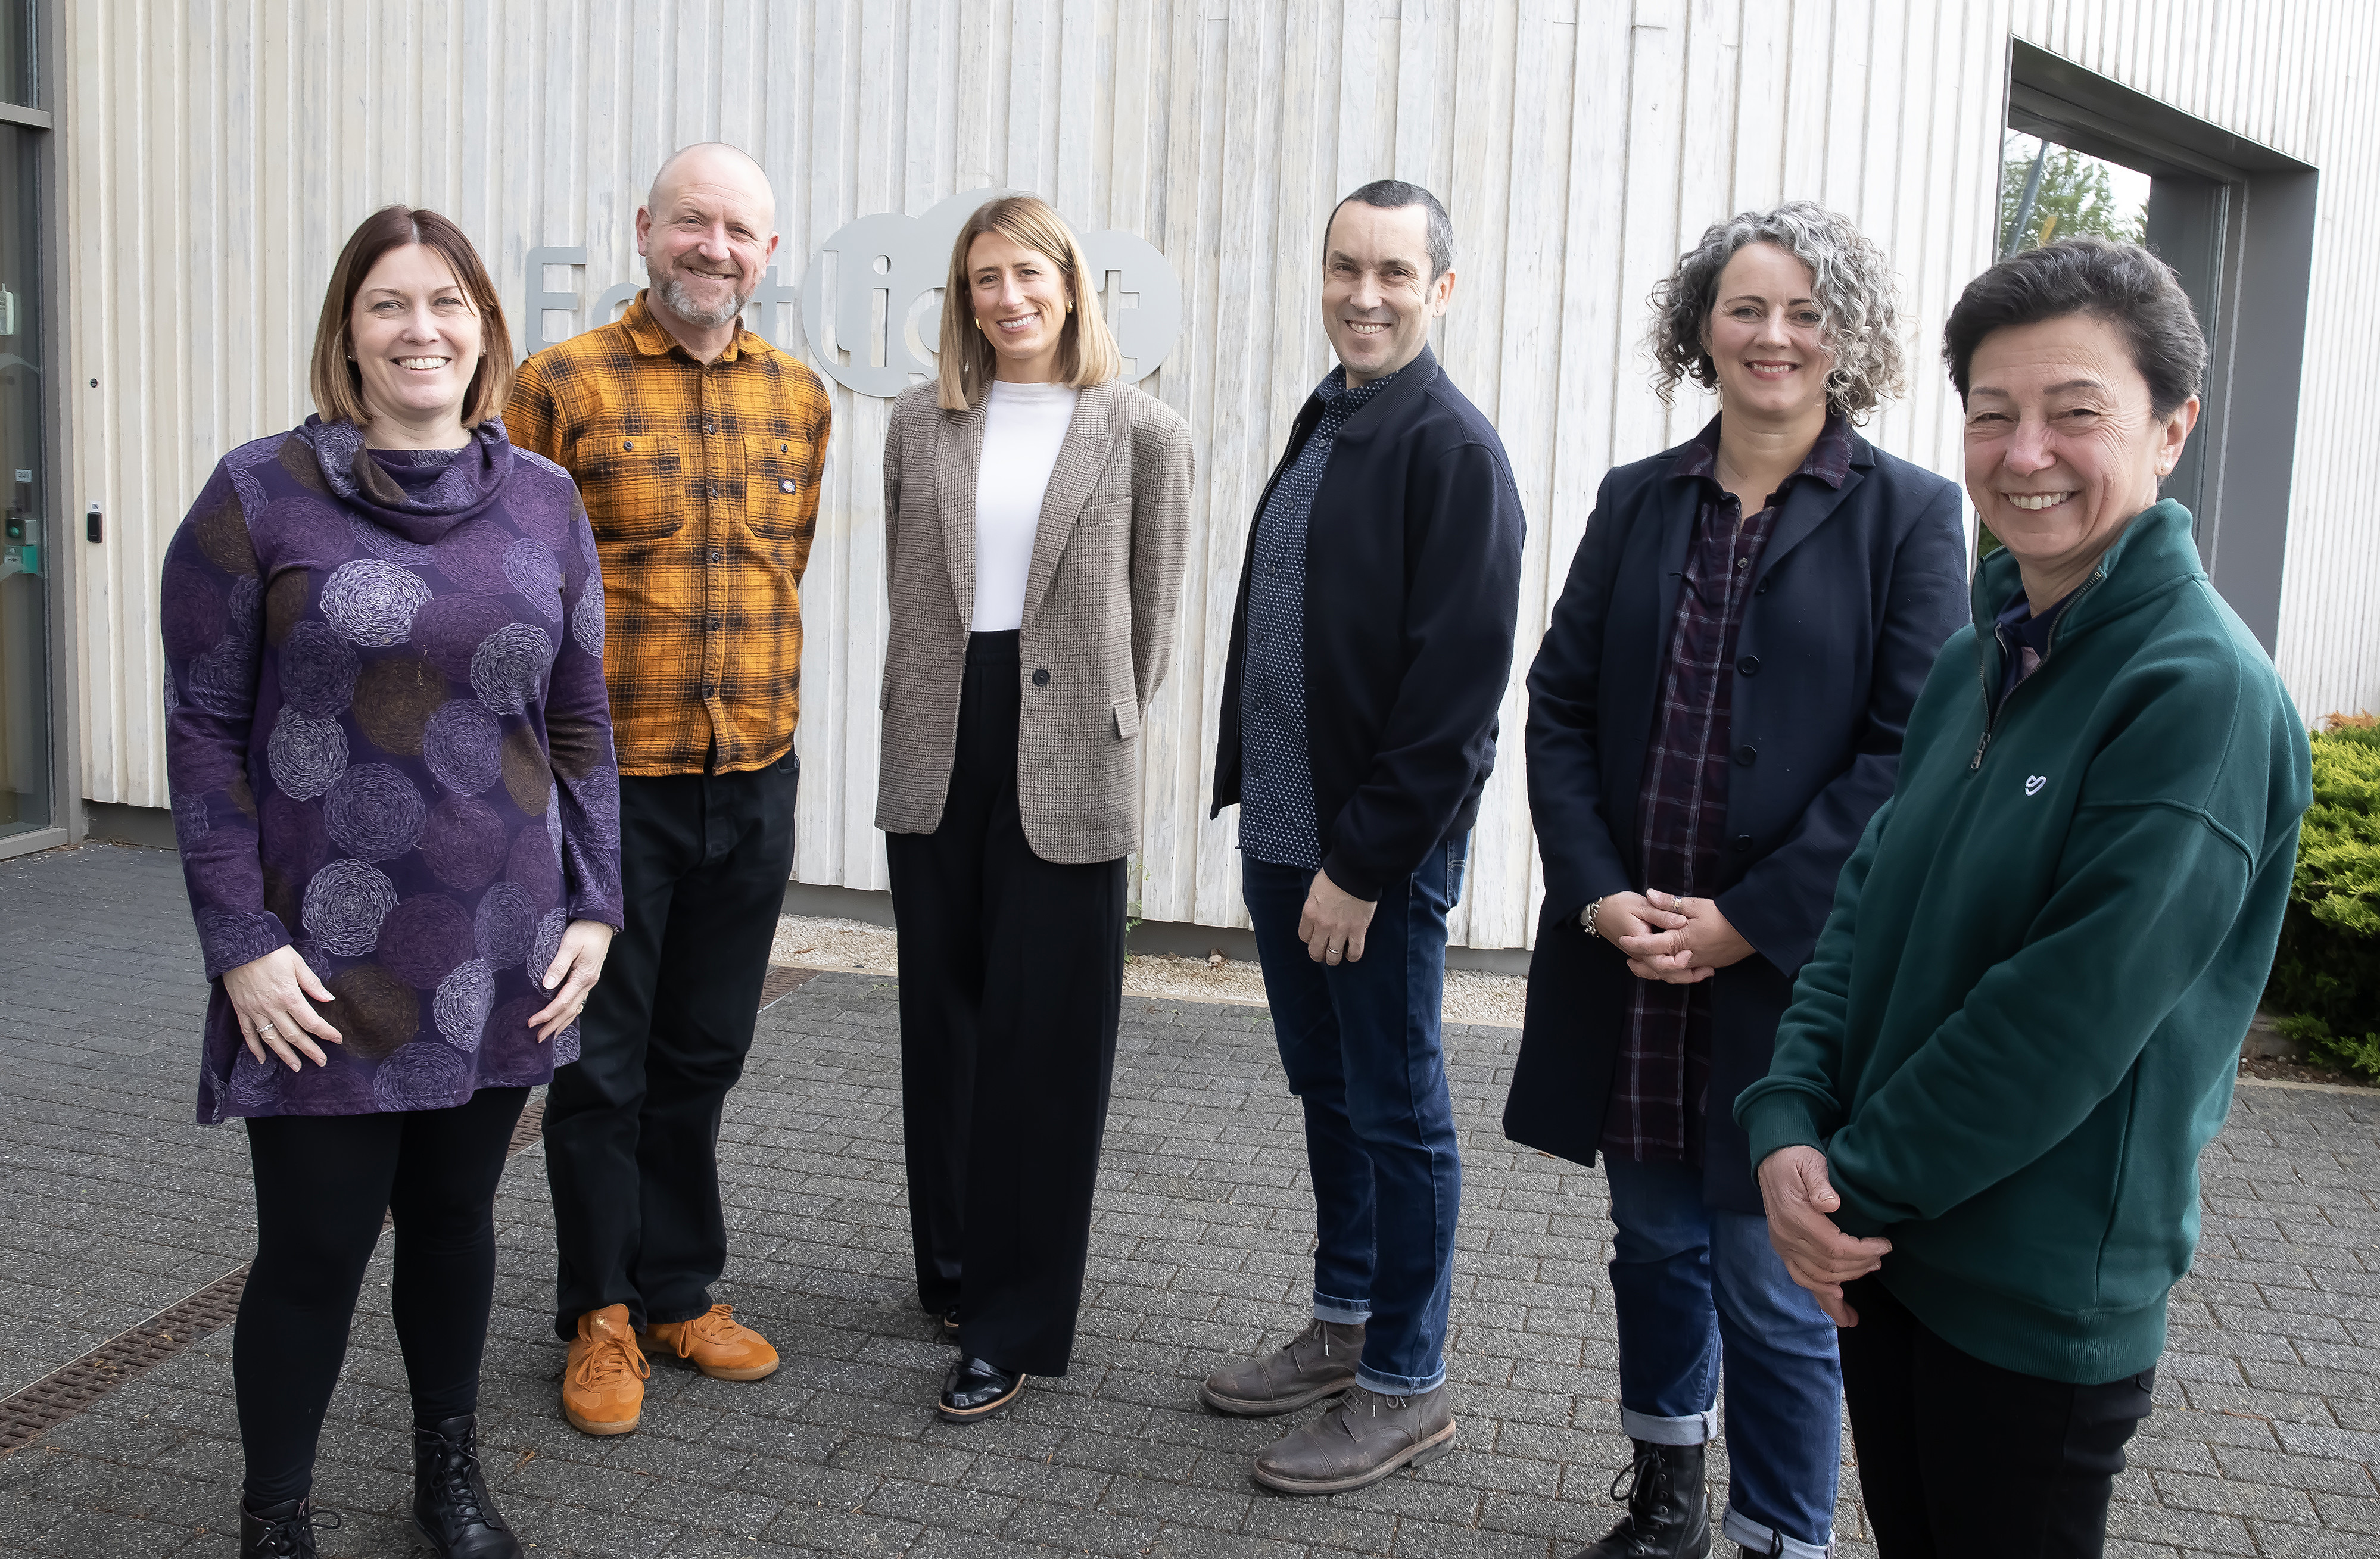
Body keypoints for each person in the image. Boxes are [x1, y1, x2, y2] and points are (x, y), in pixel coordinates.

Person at [1736, 236, 2313, 1556]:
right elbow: (1861, 913)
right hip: (1890, 1259)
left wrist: (1842, 1191)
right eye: (1992, 415)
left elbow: (2062, 1018)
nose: (2025, 452)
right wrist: (1784, 1123)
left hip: (2030, 1294)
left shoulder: (2201, 696)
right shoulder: (1979, 655)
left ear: (2173, 430)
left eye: (2075, 413)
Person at [1504, 204, 1969, 1559]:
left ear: (1851, 338)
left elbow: (1910, 753)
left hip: (1793, 978)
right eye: (1747, 307)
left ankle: (1782, 1532)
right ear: (1701, 326)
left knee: (1771, 1284)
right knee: (1652, 1249)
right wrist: (1599, 895)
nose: (1775, 335)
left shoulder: (1913, 517)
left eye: (1807, 312)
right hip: (1632, 959)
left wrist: (1748, 922)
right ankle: (1664, 1497)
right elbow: (1560, 708)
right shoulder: (1634, 499)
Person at [163, 205, 621, 1559]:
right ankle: (277, 1516)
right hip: (316, 958)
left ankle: (450, 1475)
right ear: (347, 333)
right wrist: (237, 937)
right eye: (389, 305)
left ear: (483, 328)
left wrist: (597, 904)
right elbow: (200, 727)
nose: (421, 329)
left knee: (454, 1222)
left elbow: (585, 720)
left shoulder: (544, 498)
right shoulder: (260, 495)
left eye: (448, 304)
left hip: (497, 940)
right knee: (313, 1245)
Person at [1201, 179, 1525, 1494]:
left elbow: (1453, 701)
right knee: (1328, 1089)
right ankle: (1347, 1320)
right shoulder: (1333, 412)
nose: (1365, 293)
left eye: (1396, 272)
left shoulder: (1450, 447)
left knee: (1398, 1108)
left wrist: (1362, 866)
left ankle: (1407, 1381)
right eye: (1346, 266)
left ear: (1441, 289)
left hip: (1366, 858)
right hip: (1288, 830)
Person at [504, 142, 830, 1437]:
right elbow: (516, 602)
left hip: (752, 776)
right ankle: (600, 1311)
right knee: (600, 1062)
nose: (714, 248)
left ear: (768, 252)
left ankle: (682, 1286)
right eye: (693, 222)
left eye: (740, 231)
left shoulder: (802, 398)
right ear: (645, 228)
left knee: (706, 1051)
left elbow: (781, 573)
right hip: (608, 791)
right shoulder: (559, 387)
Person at [877, 194, 1194, 1424]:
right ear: (963, 301)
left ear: (1072, 286)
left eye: (1028, 275)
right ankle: (953, 1269)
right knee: (944, 1027)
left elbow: (1152, 624)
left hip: (1068, 746)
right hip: (941, 742)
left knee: (1044, 1044)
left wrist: (1090, 725)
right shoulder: (921, 425)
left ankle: (1012, 1321)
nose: (1007, 299)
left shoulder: (1142, 432)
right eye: (982, 281)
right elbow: (911, 594)